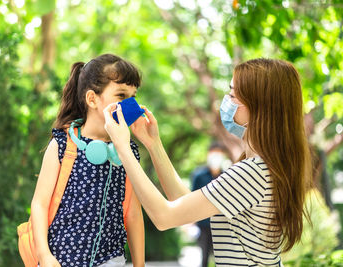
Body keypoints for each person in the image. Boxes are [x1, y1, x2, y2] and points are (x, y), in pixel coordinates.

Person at [103, 58, 312, 266]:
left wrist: (123, 148)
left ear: (258, 106)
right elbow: (184, 204)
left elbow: (164, 217)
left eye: (232, 94)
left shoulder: (252, 173)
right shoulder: (264, 167)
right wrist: (154, 144)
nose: (226, 100)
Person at [30, 54, 145, 267]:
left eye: (133, 96)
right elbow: (39, 203)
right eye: (121, 95)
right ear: (92, 99)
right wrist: (45, 256)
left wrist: (140, 265)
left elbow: (133, 214)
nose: (130, 104)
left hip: (111, 260)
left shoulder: (128, 151)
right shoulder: (64, 144)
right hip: (60, 260)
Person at [191, 142, 231, 267]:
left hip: (223, 223)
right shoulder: (199, 175)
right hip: (203, 223)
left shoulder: (227, 175)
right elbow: (192, 198)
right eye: (214, 154)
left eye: (219, 154)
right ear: (208, 155)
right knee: (204, 256)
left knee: (222, 257)